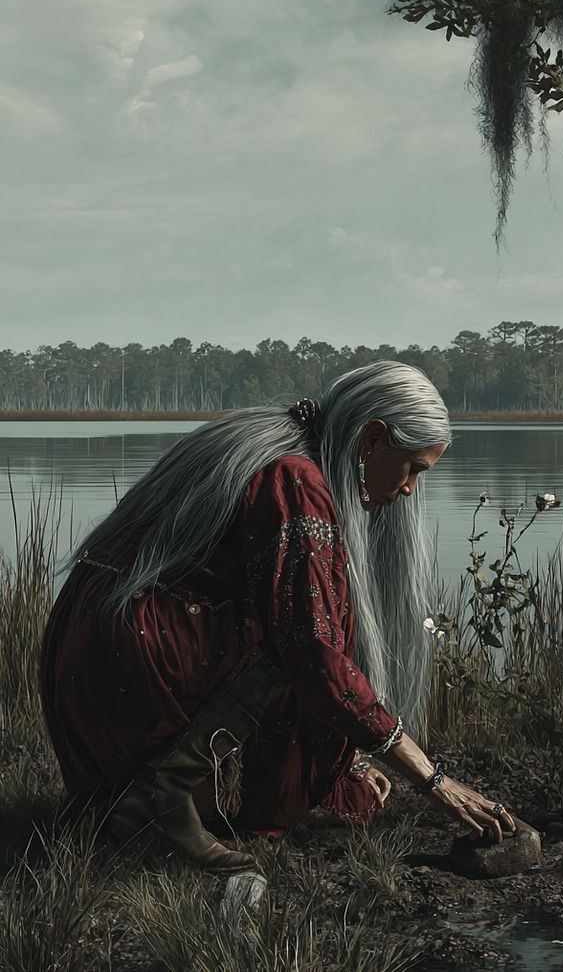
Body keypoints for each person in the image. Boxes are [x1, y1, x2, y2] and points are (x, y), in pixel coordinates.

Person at [41, 361, 515, 873]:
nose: (409, 491)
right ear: (372, 439)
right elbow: (314, 655)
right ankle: (166, 788)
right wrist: (434, 780)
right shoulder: (296, 479)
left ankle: (154, 793)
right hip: (135, 645)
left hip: (99, 645)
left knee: (309, 617)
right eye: (414, 468)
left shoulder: (288, 447)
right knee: (314, 629)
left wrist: (350, 756)